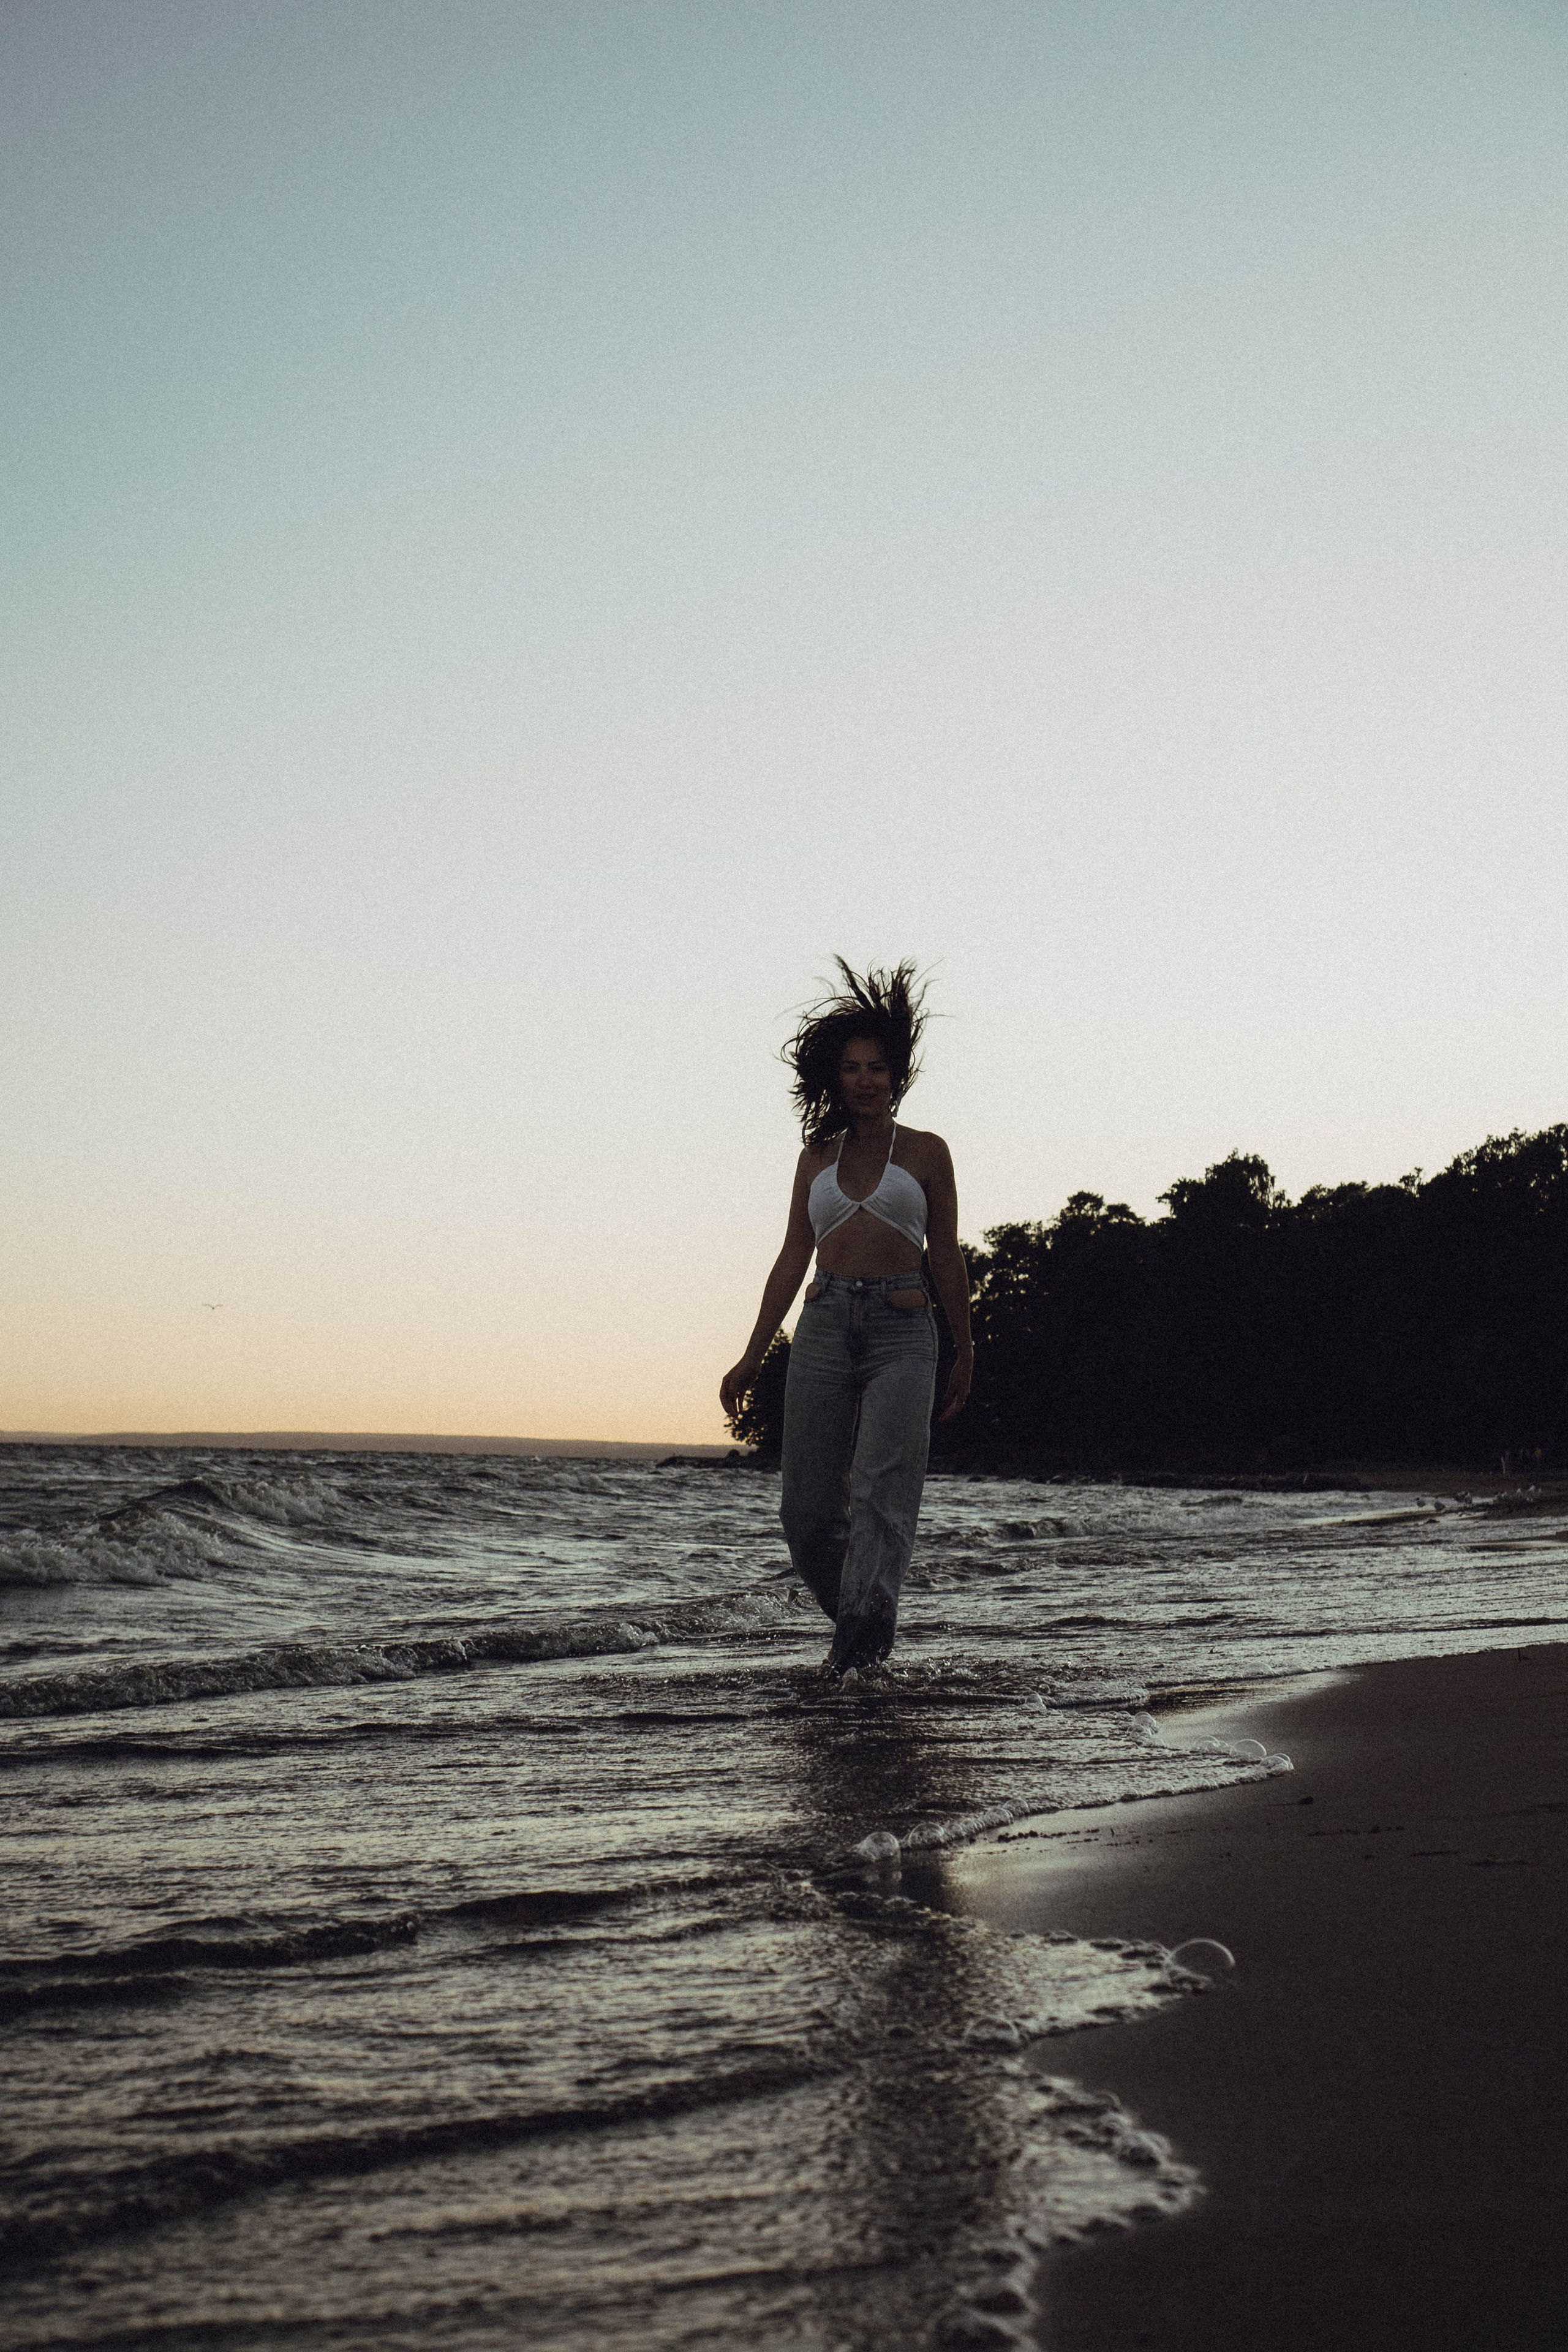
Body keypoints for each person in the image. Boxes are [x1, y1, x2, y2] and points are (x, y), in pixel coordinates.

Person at [720, 961, 973, 1679]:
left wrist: (965, 1350)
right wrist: (750, 1357)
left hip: (904, 1328)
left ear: (897, 1076)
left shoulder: (927, 1152)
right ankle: (865, 1635)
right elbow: (790, 1258)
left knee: (881, 1497)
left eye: (878, 1068)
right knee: (805, 1517)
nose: (865, 1080)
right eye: (853, 1068)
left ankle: (855, 1656)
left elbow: (947, 1256)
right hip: (825, 1327)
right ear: (835, 1078)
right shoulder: (815, 1159)